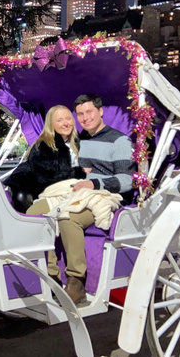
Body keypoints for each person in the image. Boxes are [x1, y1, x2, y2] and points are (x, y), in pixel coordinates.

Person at [29, 93, 135, 303]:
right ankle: (50, 275)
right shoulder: (78, 140)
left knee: (69, 216)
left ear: (100, 111)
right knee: (37, 214)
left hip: (104, 195)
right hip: (74, 191)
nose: (85, 118)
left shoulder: (120, 140)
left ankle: (76, 281)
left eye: (90, 112)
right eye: (80, 114)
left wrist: (94, 183)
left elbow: (127, 180)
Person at [5, 105, 86, 213]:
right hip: (45, 189)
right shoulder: (43, 146)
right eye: (60, 120)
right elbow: (45, 178)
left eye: (68, 118)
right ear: (51, 124)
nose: (66, 123)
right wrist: (78, 172)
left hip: (73, 188)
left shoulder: (79, 141)